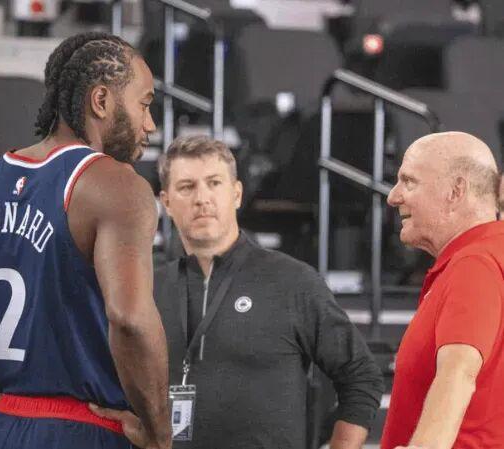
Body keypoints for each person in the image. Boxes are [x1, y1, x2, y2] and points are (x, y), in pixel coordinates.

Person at [95, 135, 384, 448]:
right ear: (166, 202)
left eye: (214, 183)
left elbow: (362, 377)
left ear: (236, 194)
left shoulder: (292, 282)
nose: (202, 198)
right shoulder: (147, 289)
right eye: (187, 187)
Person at [0, 32, 171, 449]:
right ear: (101, 101)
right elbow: (129, 319)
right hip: (86, 427)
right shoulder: (117, 185)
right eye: (144, 104)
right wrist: (159, 432)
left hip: (2, 426)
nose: (150, 124)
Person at [381, 131, 504, 449]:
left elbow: (459, 371)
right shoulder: (488, 256)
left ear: (455, 191)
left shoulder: (475, 263)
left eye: (409, 182)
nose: (393, 196)